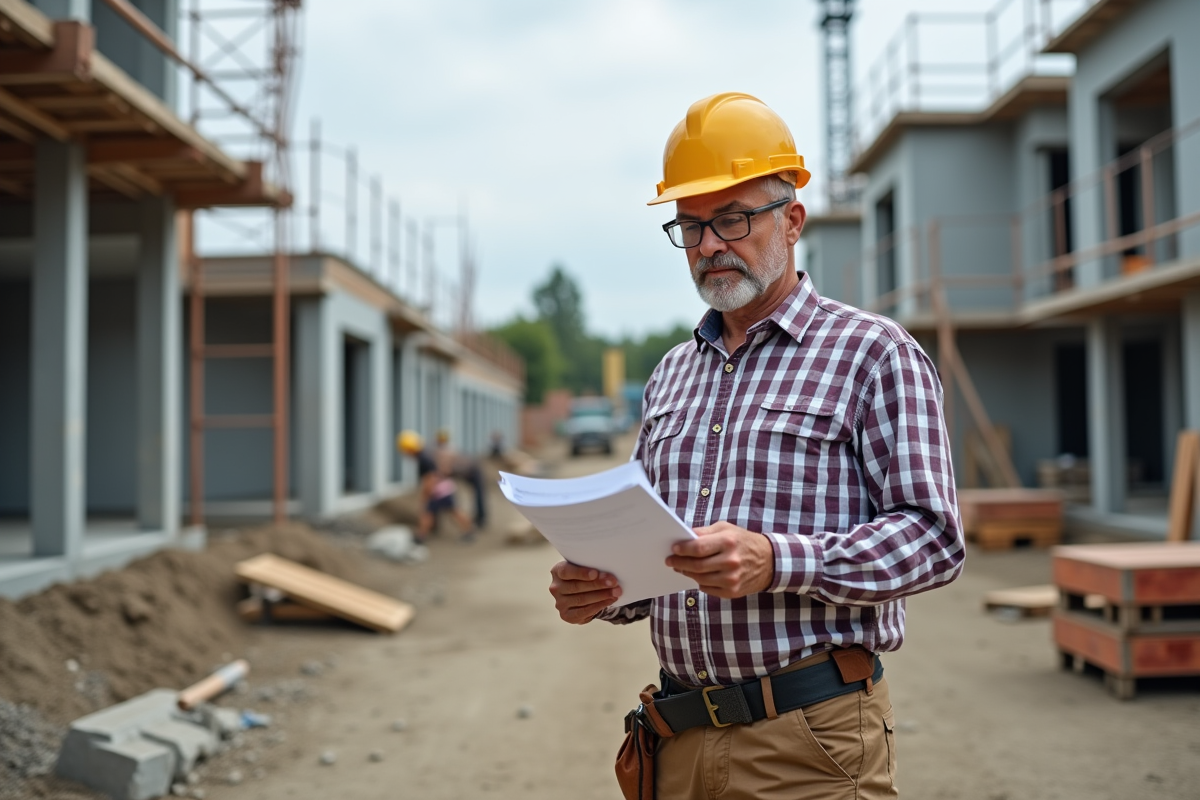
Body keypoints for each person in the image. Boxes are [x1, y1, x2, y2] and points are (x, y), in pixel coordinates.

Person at [547, 92, 964, 799]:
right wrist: (601, 589)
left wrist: (778, 560)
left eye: (733, 219)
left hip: (811, 742)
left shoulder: (873, 353)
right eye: (691, 225)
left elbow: (934, 540)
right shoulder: (674, 374)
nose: (710, 244)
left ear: (792, 219)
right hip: (676, 738)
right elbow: (659, 557)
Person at [396, 430, 476, 544]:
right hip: (443, 489)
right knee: (447, 511)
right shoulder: (425, 455)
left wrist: (425, 496)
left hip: (439, 491)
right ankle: (468, 530)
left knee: (434, 512)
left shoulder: (423, 460)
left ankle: (421, 536)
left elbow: (430, 479)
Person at [434, 428, 488, 529]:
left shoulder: (446, 451)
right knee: (475, 494)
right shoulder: (446, 449)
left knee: (478, 494)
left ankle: (480, 519)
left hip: (472, 472)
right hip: (466, 472)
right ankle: (477, 519)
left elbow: (446, 470)